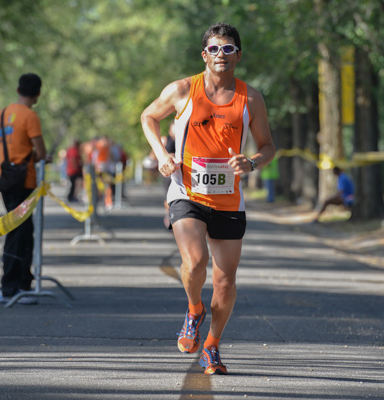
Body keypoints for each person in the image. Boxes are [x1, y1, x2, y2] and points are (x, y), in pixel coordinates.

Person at [141, 23, 276, 375]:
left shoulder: (251, 98)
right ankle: (193, 308)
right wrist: (161, 154)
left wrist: (252, 162)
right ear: (204, 55)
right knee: (196, 262)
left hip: (229, 199)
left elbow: (268, 147)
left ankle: (211, 346)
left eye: (228, 49)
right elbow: (148, 117)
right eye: (214, 49)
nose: (221, 55)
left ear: (238, 56)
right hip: (186, 191)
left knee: (225, 281)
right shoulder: (183, 90)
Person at [0, 73, 49, 305]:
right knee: (20, 234)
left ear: (17, 89)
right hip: (24, 181)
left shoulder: (2, 114)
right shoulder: (30, 116)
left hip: (5, 178)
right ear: (37, 94)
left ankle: (20, 281)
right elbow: (40, 152)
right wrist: (42, 156)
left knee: (18, 231)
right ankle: (12, 287)